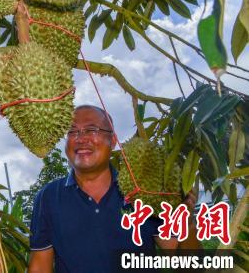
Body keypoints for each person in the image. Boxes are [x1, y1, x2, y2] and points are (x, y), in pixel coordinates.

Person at [27, 105, 198, 273]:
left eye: (91, 130)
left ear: (113, 140)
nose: (80, 138)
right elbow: (40, 265)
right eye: (72, 132)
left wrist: (187, 222)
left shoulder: (142, 192)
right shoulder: (48, 197)